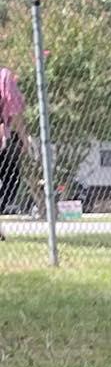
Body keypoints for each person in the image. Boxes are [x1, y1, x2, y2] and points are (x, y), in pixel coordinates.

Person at [0, 62, 35, 238]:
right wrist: (24, 139)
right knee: (11, 181)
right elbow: (15, 112)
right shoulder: (5, 76)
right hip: (4, 136)